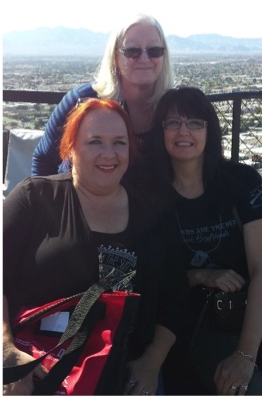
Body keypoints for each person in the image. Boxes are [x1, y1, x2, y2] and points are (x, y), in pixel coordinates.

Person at [3, 98, 188, 396]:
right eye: (94, 142)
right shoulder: (34, 198)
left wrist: (151, 363)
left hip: (126, 375)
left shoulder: (153, 213)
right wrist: (7, 351)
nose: (109, 154)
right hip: (37, 372)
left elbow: (175, 296)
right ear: (71, 148)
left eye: (119, 142)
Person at [151, 86, 262, 395]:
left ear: (208, 130)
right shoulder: (150, 197)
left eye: (195, 122)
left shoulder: (242, 182)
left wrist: (245, 355)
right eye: (172, 122)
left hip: (251, 317)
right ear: (160, 131)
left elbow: (260, 268)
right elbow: (153, 280)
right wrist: (200, 275)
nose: (183, 131)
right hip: (196, 327)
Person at [31, 13, 174, 177]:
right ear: (115, 56)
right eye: (132, 51)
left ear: (164, 56)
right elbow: (43, 161)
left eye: (154, 50)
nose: (144, 58)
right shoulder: (81, 102)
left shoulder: (175, 110)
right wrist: (48, 201)